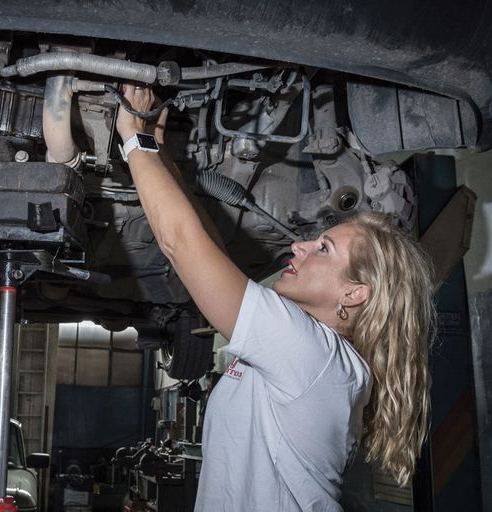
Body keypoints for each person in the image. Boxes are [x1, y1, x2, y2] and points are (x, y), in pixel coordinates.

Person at [115, 85, 435, 511]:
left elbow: (183, 246)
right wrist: (156, 150)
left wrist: (133, 138)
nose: (299, 247)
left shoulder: (313, 357)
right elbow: (212, 255)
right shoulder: (319, 358)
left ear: (354, 293)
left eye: (324, 248)